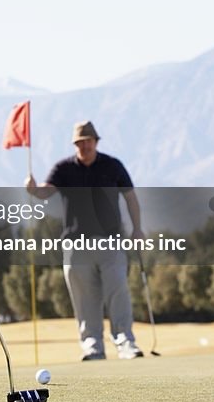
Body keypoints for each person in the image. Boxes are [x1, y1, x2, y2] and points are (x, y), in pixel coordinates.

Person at [26, 120, 144, 361]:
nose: (84, 146)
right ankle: (92, 346)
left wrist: (137, 229)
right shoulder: (64, 168)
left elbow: (131, 198)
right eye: (80, 142)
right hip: (76, 245)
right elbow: (45, 192)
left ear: (96, 142)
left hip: (111, 241)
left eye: (88, 141)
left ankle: (125, 343)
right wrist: (33, 190)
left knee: (118, 291)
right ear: (75, 145)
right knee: (84, 300)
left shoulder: (113, 166)